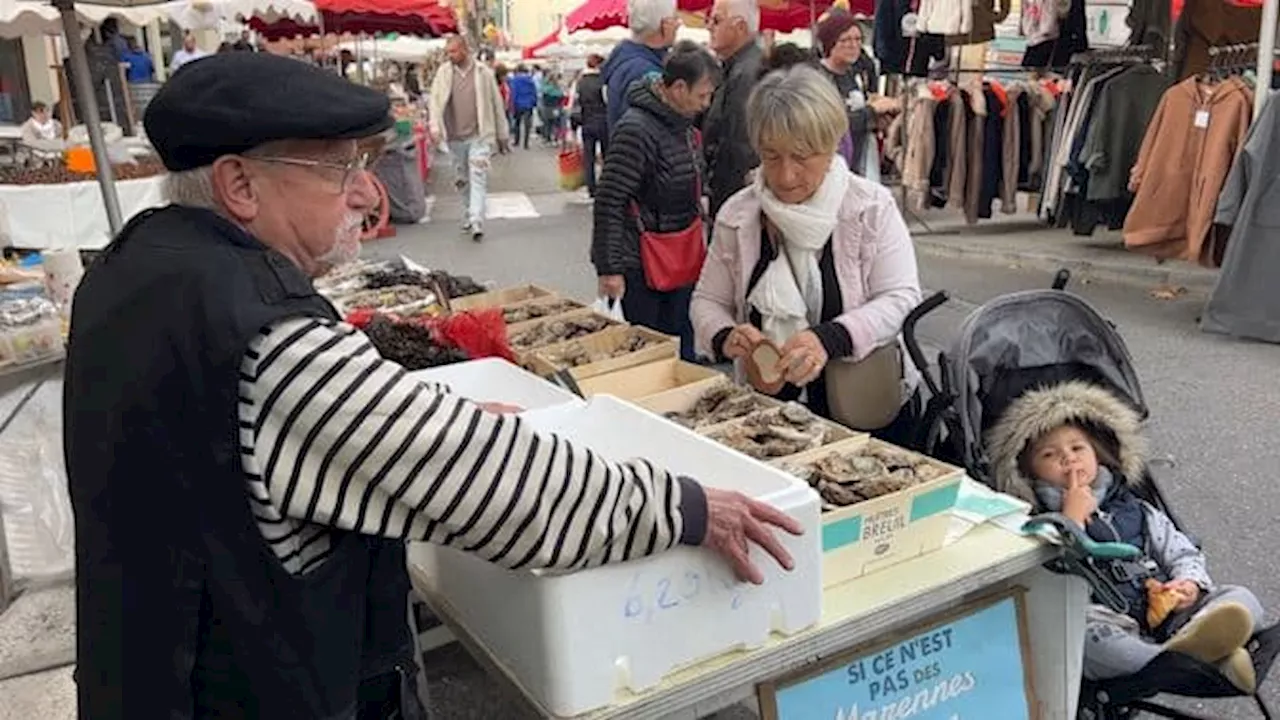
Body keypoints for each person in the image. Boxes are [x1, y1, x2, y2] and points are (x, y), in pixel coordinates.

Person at [64, 51, 802, 720]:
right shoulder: (264, 337)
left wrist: (407, 413)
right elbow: (501, 488)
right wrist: (687, 507)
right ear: (238, 184)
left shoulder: (134, 268)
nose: (365, 195)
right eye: (336, 171)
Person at [690, 66, 923, 445]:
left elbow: (901, 298)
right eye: (771, 156)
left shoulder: (870, 208)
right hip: (768, 420)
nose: (785, 176)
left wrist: (829, 339)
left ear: (831, 145)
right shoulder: (739, 214)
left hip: (861, 413)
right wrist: (724, 335)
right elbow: (707, 301)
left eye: (802, 157)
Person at [986, 381, 1264, 690]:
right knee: (1085, 639)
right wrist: (1071, 519)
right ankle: (1192, 660)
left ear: (1100, 455)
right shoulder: (1035, 524)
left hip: (1171, 609)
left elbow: (1181, 551)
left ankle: (1195, 648)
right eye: (1050, 455)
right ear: (1029, 473)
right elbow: (1043, 583)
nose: (1069, 459)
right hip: (1110, 620)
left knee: (1242, 598)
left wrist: (1190, 584)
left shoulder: (1137, 510)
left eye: (1078, 448)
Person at [593, 42, 719, 363]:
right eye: (702, 95)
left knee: (682, 343)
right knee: (650, 350)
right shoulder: (635, 130)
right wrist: (609, 268)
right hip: (641, 262)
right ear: (677, 88)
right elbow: (609, 200)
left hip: (681, 252)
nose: (707, 104)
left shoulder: (684, 127)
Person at [428, 35, 511, 241]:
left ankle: (476, 219)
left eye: (453, 51)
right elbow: (434, 102)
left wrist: (502, 135)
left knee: (478, 176)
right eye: (448, 52)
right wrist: (435, 126)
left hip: (479, 135)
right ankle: (468, 211)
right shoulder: (444, 73)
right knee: (462, 179)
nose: (450, 56)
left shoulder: (483, 72)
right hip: (454, 136)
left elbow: (496, 104)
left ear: (465, 50)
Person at [702, 0, 763, 220]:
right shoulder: (737, 68)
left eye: (716, 20)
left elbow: (739, 150)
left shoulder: (746, 74)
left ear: (740, 27)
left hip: (735, 203)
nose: (709, 26)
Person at [816, 11, 885, 178]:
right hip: (830, 167)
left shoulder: (853, 73)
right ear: (829, 43)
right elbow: (832, 125)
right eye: (845, 40)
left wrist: (879, 118)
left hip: (857, 162)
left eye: (858, 39)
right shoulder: (819, 79)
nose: (853, 45)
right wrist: (872, 110)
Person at [602, 0, 680, 130]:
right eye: (675, 18)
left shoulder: (627, 61)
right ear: (664, 24)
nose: (678, 24)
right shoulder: (646, 73)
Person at [573, 54, 609, 197]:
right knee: (607, 155)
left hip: (586, 122)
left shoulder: (580, 82)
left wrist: (574, 125)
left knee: (589, 157)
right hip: (603, 122)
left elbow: (575, 104)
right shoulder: (603, 82)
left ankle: (591, 187)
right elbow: (608, 101)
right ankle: (606, 185)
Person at [508, 64, 538, 149]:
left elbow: (513, 93)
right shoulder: (530, 80)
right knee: (527, 125)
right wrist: (534, 102)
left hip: (518, 103)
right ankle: (526, 143)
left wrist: (512, 105)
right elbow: (534, 92)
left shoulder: (514, 80)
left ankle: (517, 141)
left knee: (517, 123)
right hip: (528, 104)